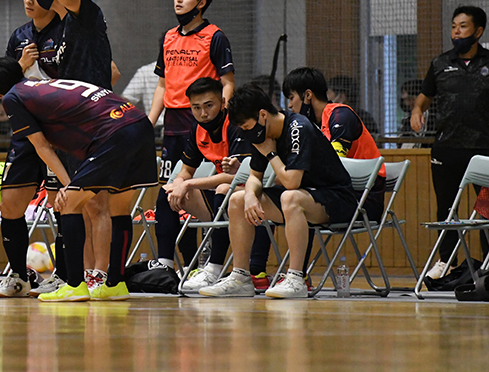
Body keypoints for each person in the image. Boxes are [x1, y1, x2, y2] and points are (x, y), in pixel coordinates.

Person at [0, 57, 158, 302]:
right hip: (139, 123)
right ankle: (115, 285)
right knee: (119, 209)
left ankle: (75, 285)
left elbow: (42, 147)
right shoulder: (45, 84)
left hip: (113, 132)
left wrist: (67, 185)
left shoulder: (13, 97)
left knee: (69, 204)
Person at [199, 84, 357, 299]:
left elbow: (291, 182)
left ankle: (296, 278)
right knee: (237, 199)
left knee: (290, 197)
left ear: (263, 115)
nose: (246, 133)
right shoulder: (261, 133)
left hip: (337, 200)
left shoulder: (298, 128)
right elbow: (254, 176)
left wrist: (271, 154)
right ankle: (240, 278)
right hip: (302, 198)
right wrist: (250, 195)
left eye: (247, 126)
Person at [22, 0, 120, 297]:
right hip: (74, 126)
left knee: (97, 205)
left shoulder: (86, 14)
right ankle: (86, 279)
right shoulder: (63, 28)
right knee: (82, 205)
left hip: (96, 124)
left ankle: (100, 278)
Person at [146, 0, 235, 273]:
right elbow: (162, 85)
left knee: (211, 191)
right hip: (173, 125)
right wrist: (149, 122)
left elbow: (228, 83)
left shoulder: (215, 36)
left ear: (201, 3)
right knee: (169, 191)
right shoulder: (168, 37)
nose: (179, 0)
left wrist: (220, 119)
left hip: (203, 122)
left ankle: (213, 261)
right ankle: (167, 262)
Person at [0, 0, 65, 298]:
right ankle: (19, 277)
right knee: (10, 203)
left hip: (60, 131)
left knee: (62, 203)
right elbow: (6, 86)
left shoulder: (66, 31)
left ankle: (64, 275)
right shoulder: (19, 36)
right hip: (25, 130)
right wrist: (20, 66)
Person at [163, 78, 271, 292]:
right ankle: (168, 264)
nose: (203, 113)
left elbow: (240, 177)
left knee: (224, 190)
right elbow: (185, 171)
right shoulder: (196, 129)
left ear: (222, 102)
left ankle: (214, 268)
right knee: (169, 191)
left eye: (208, 105)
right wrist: (179, 183)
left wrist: (189, 183)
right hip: (223, 201)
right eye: (196, 108)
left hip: (253, 194)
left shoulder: (237, 124)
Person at [411, 5, 489, 279]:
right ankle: (447, 261)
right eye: (454, 26)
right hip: (447, 148)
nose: (456, 32)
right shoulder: (440, 63)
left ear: (478, 31)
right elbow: (424, 98)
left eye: (463, 26)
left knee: (487, 207)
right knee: (446, 206)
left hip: (484, 149)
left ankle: (488, 262)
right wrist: (417, 111)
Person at [282, 67, 385, 221]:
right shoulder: (309, 125)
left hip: (363, 199)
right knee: (275, 197)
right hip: (333, 192)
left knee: (293, 199)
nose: (289, 105)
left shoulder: (340, 115)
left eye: (291, 98)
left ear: (308, 95)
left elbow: (334, 165)